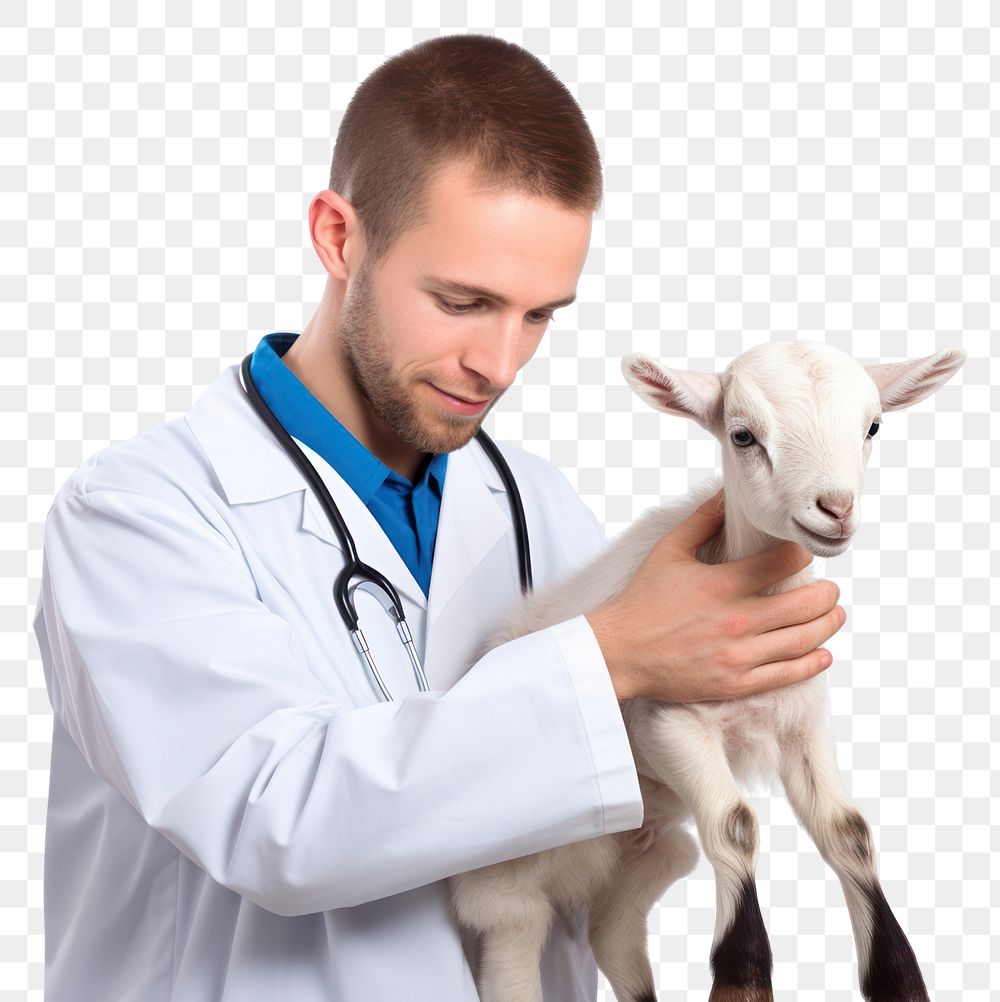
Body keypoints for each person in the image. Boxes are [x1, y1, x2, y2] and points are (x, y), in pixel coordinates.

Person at [32, 33, 845, 1002]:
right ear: (339, 238)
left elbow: (569, 852)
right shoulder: (139, 514)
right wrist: (614, 653)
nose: (499, 363)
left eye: (540, 315)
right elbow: (274, 822)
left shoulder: (539, 507)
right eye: (463, 301)